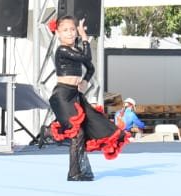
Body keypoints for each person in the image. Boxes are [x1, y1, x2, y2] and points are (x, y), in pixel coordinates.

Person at [46, 15, 128, 180]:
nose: (69, 33)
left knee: (93, 125)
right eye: (65, 30)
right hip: (62, 95)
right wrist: (84, 37)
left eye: (72, 29)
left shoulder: (75, 50)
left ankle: (78, 170)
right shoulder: (62, 50)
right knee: (77, 134)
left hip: (74, 94)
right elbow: (87, 58)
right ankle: (74, 173)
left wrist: (84, 81)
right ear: (58, 34)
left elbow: (90, 67)